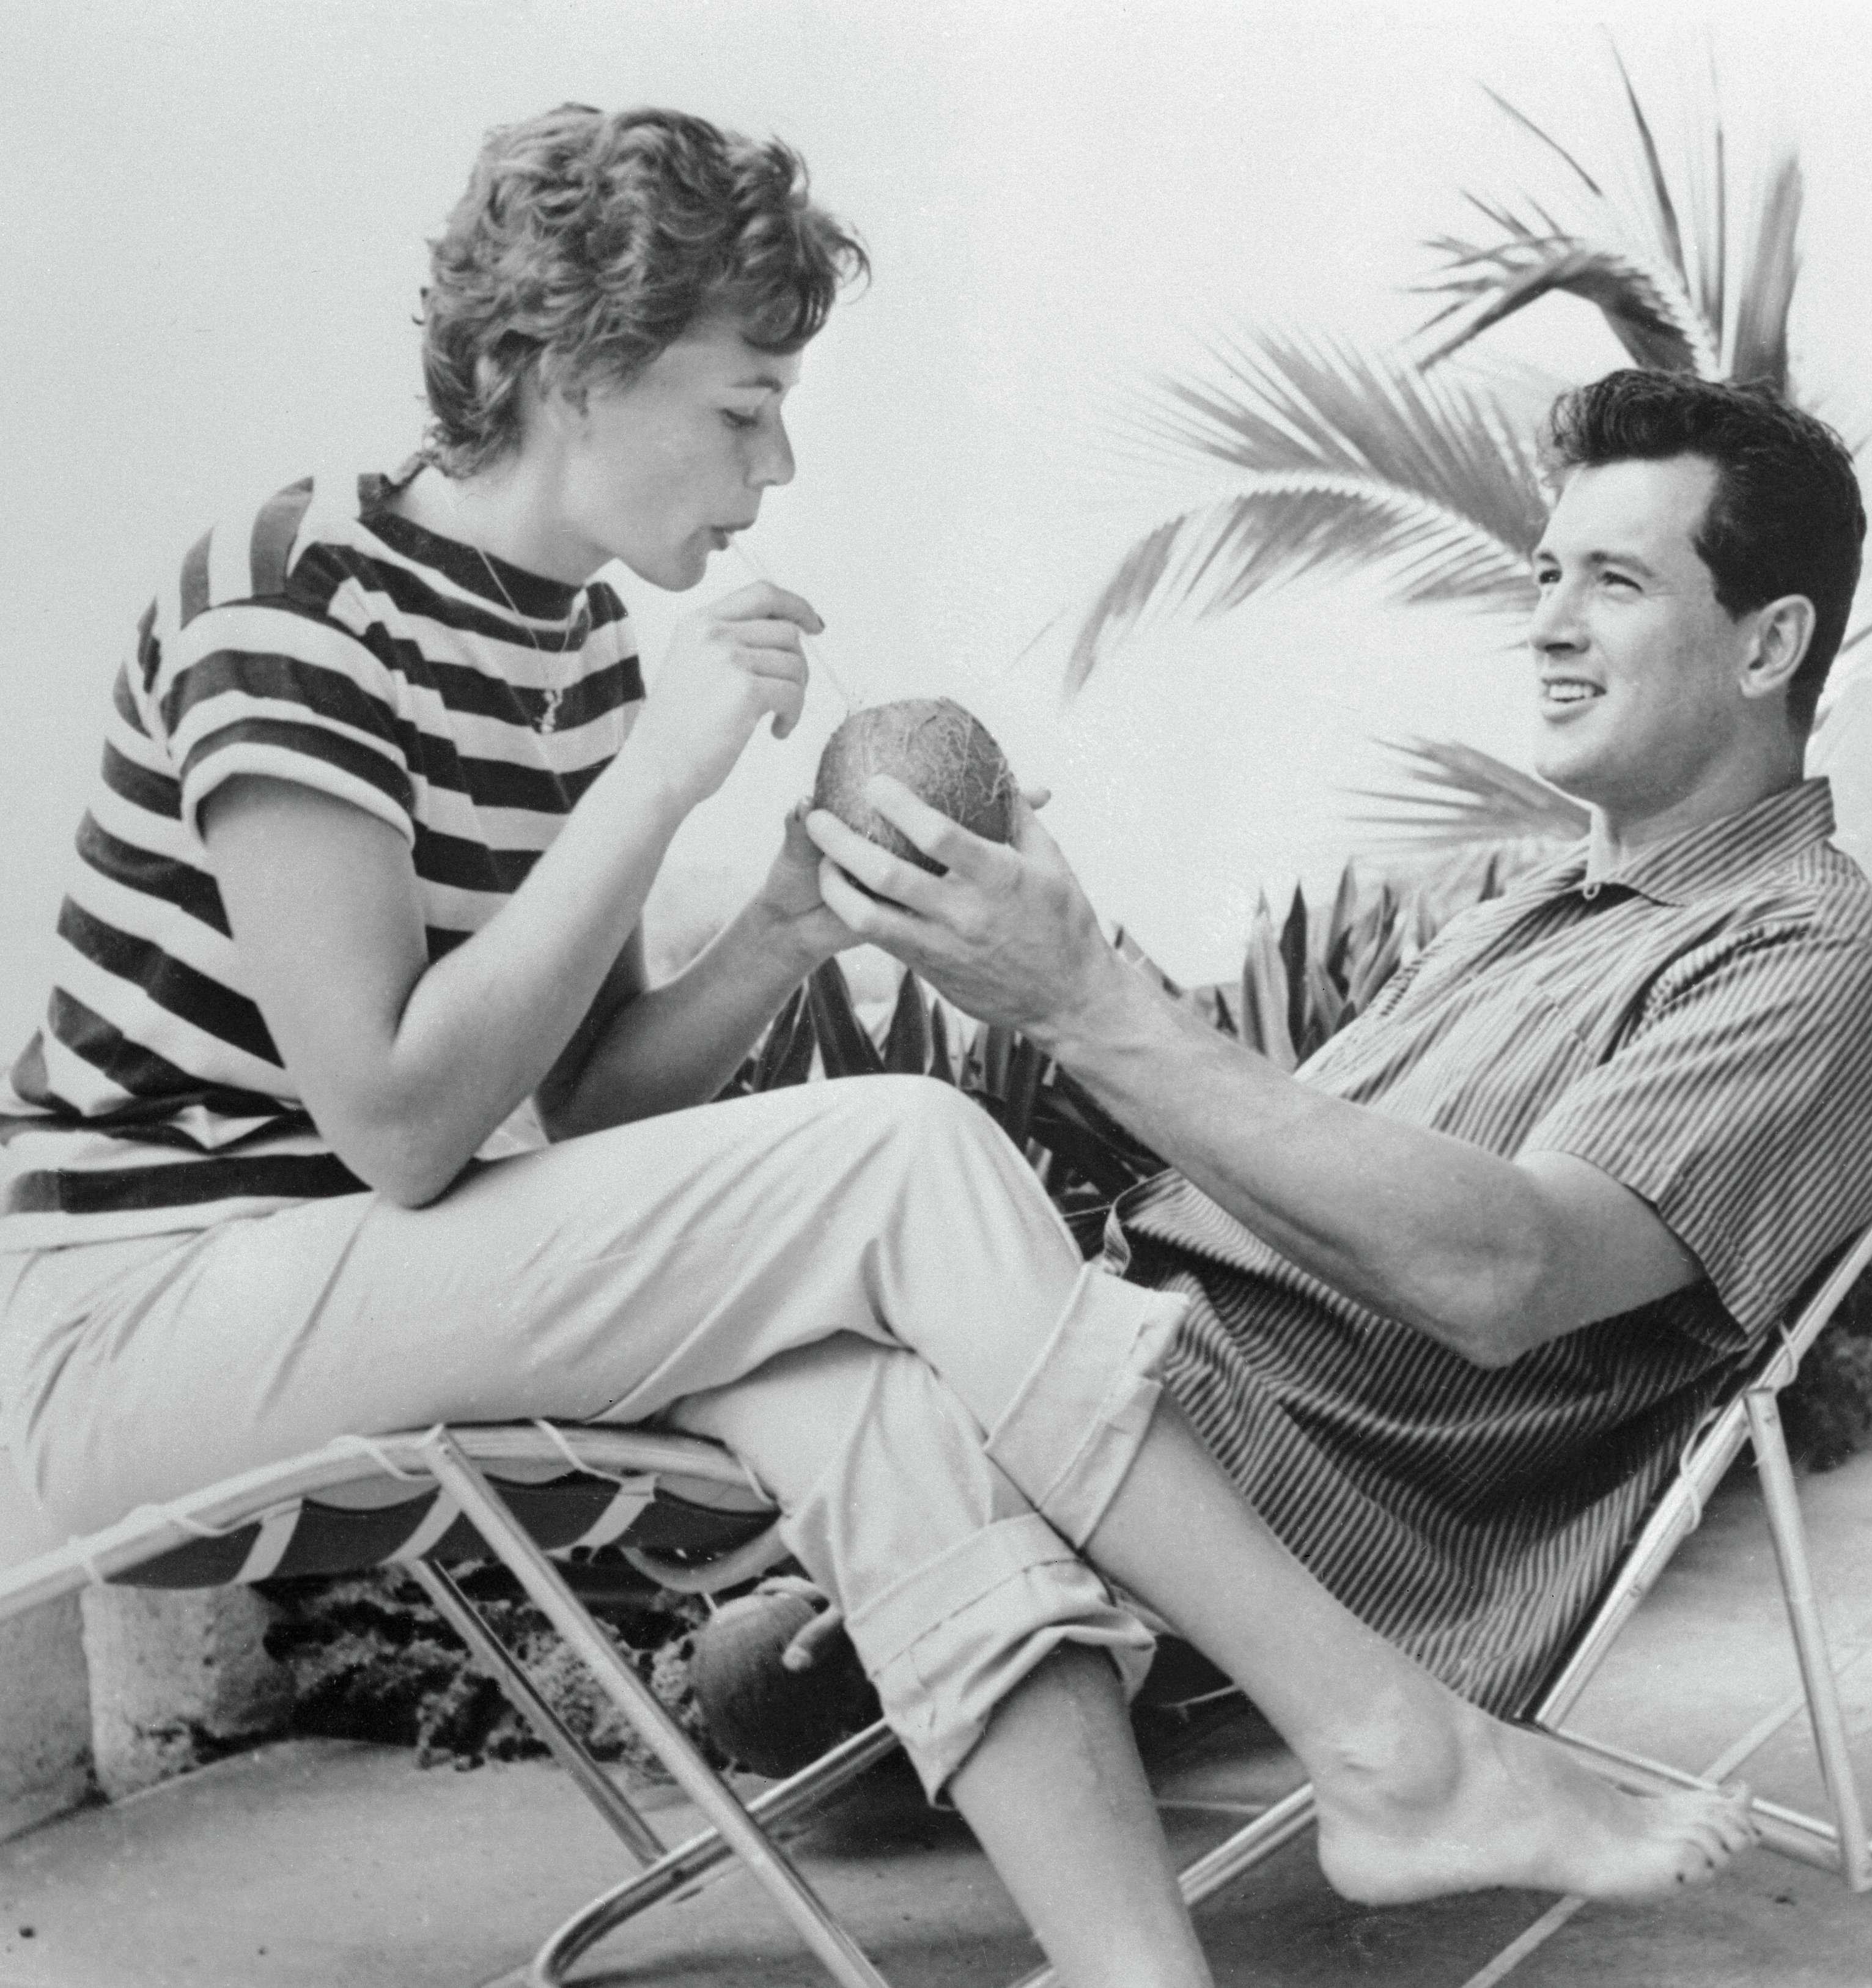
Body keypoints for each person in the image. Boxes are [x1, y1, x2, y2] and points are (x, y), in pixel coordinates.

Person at [0, 106, 1752, 1988]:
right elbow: (402, 1120)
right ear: (565, 370)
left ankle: (1134, 1973)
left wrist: (778, 922)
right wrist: (663, 776)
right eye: (743, 409)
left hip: (356, 1291)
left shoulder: (579, 647)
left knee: (882, 1392)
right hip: (127, 1325)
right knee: (905, 1144)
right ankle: (1391, 1741)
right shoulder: (292, 597)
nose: (777, 466)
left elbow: (585, 1102)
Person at [807, 367, 1872, 1718]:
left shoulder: (1809, 956)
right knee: (757, 1628)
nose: (1545, 625)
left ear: (1768, 647)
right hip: (1121, 1376)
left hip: (1248, 1473)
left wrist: (1080, 1003)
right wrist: (1060, 961)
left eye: (1614, 584)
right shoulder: (1530, 918)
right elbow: (1277, 1174)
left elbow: (1501, 1272)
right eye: (1547, 575)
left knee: (855, 1173)